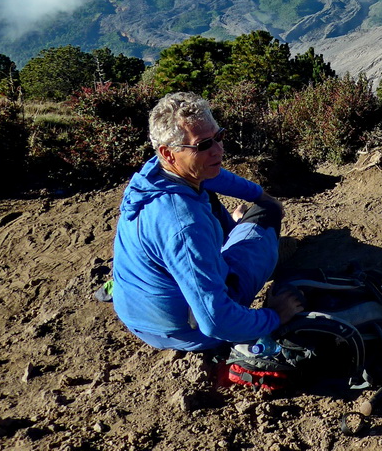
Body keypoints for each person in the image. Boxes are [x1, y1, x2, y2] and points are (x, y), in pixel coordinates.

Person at [111, 92, 302, 351]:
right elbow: (216, 322)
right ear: (169, 153)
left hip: (142, 315)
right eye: (203, 145)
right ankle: (263, 249)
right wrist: (274, 317)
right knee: (265, 214)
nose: (218, 149)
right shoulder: (185, 225)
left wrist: (257, 192)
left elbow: (213, 175)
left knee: (207, 191)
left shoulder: (155, 176)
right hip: (190, 331)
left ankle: (231, 233)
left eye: (219, 137)